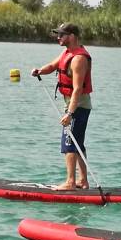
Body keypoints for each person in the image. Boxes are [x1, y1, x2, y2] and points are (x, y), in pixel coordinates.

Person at [31, 22, 92, 190]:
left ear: (72, 36)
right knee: (77, 143)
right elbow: (52, 66)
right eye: (57, 34)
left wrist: (70, 113)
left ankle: (71, 182)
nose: (58, 37)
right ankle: (83, 181)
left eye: (62, 34)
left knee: (69, 144)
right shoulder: (67, 53)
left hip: (77, 106)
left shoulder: (78, 59)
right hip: (75, 106)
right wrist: (40, 71)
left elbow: (78, 89)